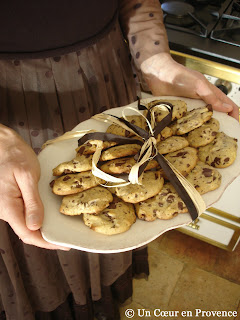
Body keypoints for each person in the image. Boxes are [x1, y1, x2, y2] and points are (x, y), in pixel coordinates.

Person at [0, 0, 238, 319]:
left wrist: (155, 59)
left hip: (106, 76)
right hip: (11, 113)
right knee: (40, 224)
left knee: (121, 209)